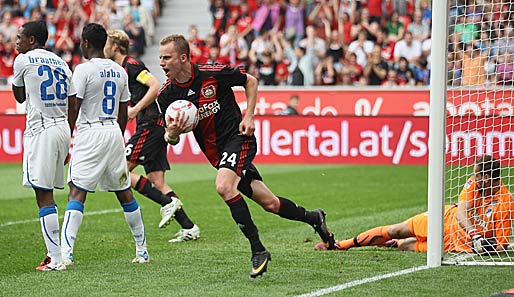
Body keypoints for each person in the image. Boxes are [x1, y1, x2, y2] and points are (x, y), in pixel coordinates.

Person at [156, 34, 337, 278]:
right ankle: (315, 218)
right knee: (270, 203)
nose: (161, 62)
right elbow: (170, 138)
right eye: (160, 57)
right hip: (217, 155)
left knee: (224, 187)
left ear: (183, 57)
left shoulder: (212, 72)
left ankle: (258, 250)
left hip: (239, 138)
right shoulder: (167, 95)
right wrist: (172, 134)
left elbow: (249, 81)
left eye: (166, 57)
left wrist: (249, 116)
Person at [59, 23, 149, 266]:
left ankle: (65, 255)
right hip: (112, 131)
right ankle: (142, 250)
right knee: (124, 192)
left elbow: (74, 107)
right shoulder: (119, 71)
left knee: (76, 190)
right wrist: (116, 136)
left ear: (86, 43)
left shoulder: (83, 70)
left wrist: (67, 138)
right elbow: (123, 110)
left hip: (90, 131)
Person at [104, 29, 200, 243]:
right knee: (157, 180)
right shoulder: (121, 68)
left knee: (118, 172)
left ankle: (167, 203)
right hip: (153, 125)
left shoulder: (132, 65)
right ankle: (189, 227)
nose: (104, 47)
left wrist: (135, 109)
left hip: (150, 124)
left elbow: (155, 86)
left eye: (107, 43)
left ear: (116, 46)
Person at [315, 155, 514, 254]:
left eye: (477, 174)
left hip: (454, 245)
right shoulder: (473, 184)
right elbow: (462, 212)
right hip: (443, 219)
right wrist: (475, 234)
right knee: (395, 229)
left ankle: (394, 245)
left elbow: (502, 244)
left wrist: (485, 246)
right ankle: (342, 245)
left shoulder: (505, 203)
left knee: (407, 246)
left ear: (487, 178)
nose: (472, 177)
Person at [12, 20, 77, 271]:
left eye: (20, 37)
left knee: (43, 193)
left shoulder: (23, 60)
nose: (16, 42)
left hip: (41, 129)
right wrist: (68, 136)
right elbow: (73, 104)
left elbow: (19, 98)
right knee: (47, 191)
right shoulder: (62, 62)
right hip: (62, 128)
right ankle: (56, 254)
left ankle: (55, 258)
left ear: (32, 40)